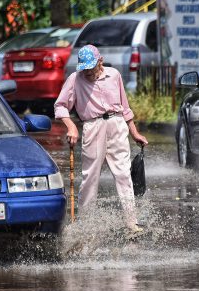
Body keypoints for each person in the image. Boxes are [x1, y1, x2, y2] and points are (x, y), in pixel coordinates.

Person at [54, 44, 148, 234]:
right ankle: (85, 225)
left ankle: (132, 222)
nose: (87, 72)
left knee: (123, 174)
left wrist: (134, 132)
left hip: (116, 124)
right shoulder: (75, 79)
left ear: (100, 61)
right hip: (93, 126)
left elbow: (125, 107)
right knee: (90, 178)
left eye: (91, 67)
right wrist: (71, 126)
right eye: (84, 69)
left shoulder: (114, 75)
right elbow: (61, 106)